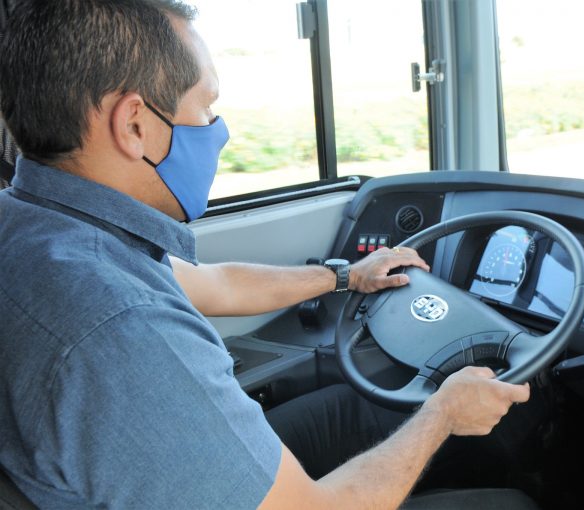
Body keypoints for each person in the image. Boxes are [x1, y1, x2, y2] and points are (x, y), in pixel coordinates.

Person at [0, 1, 533, 508]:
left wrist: (347, 276)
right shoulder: (124, 329)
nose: (218, 132)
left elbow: (219, 284)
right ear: (135, 124)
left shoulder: (42, 230)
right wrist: (443, 414)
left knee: (362, 410)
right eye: (205, 107)